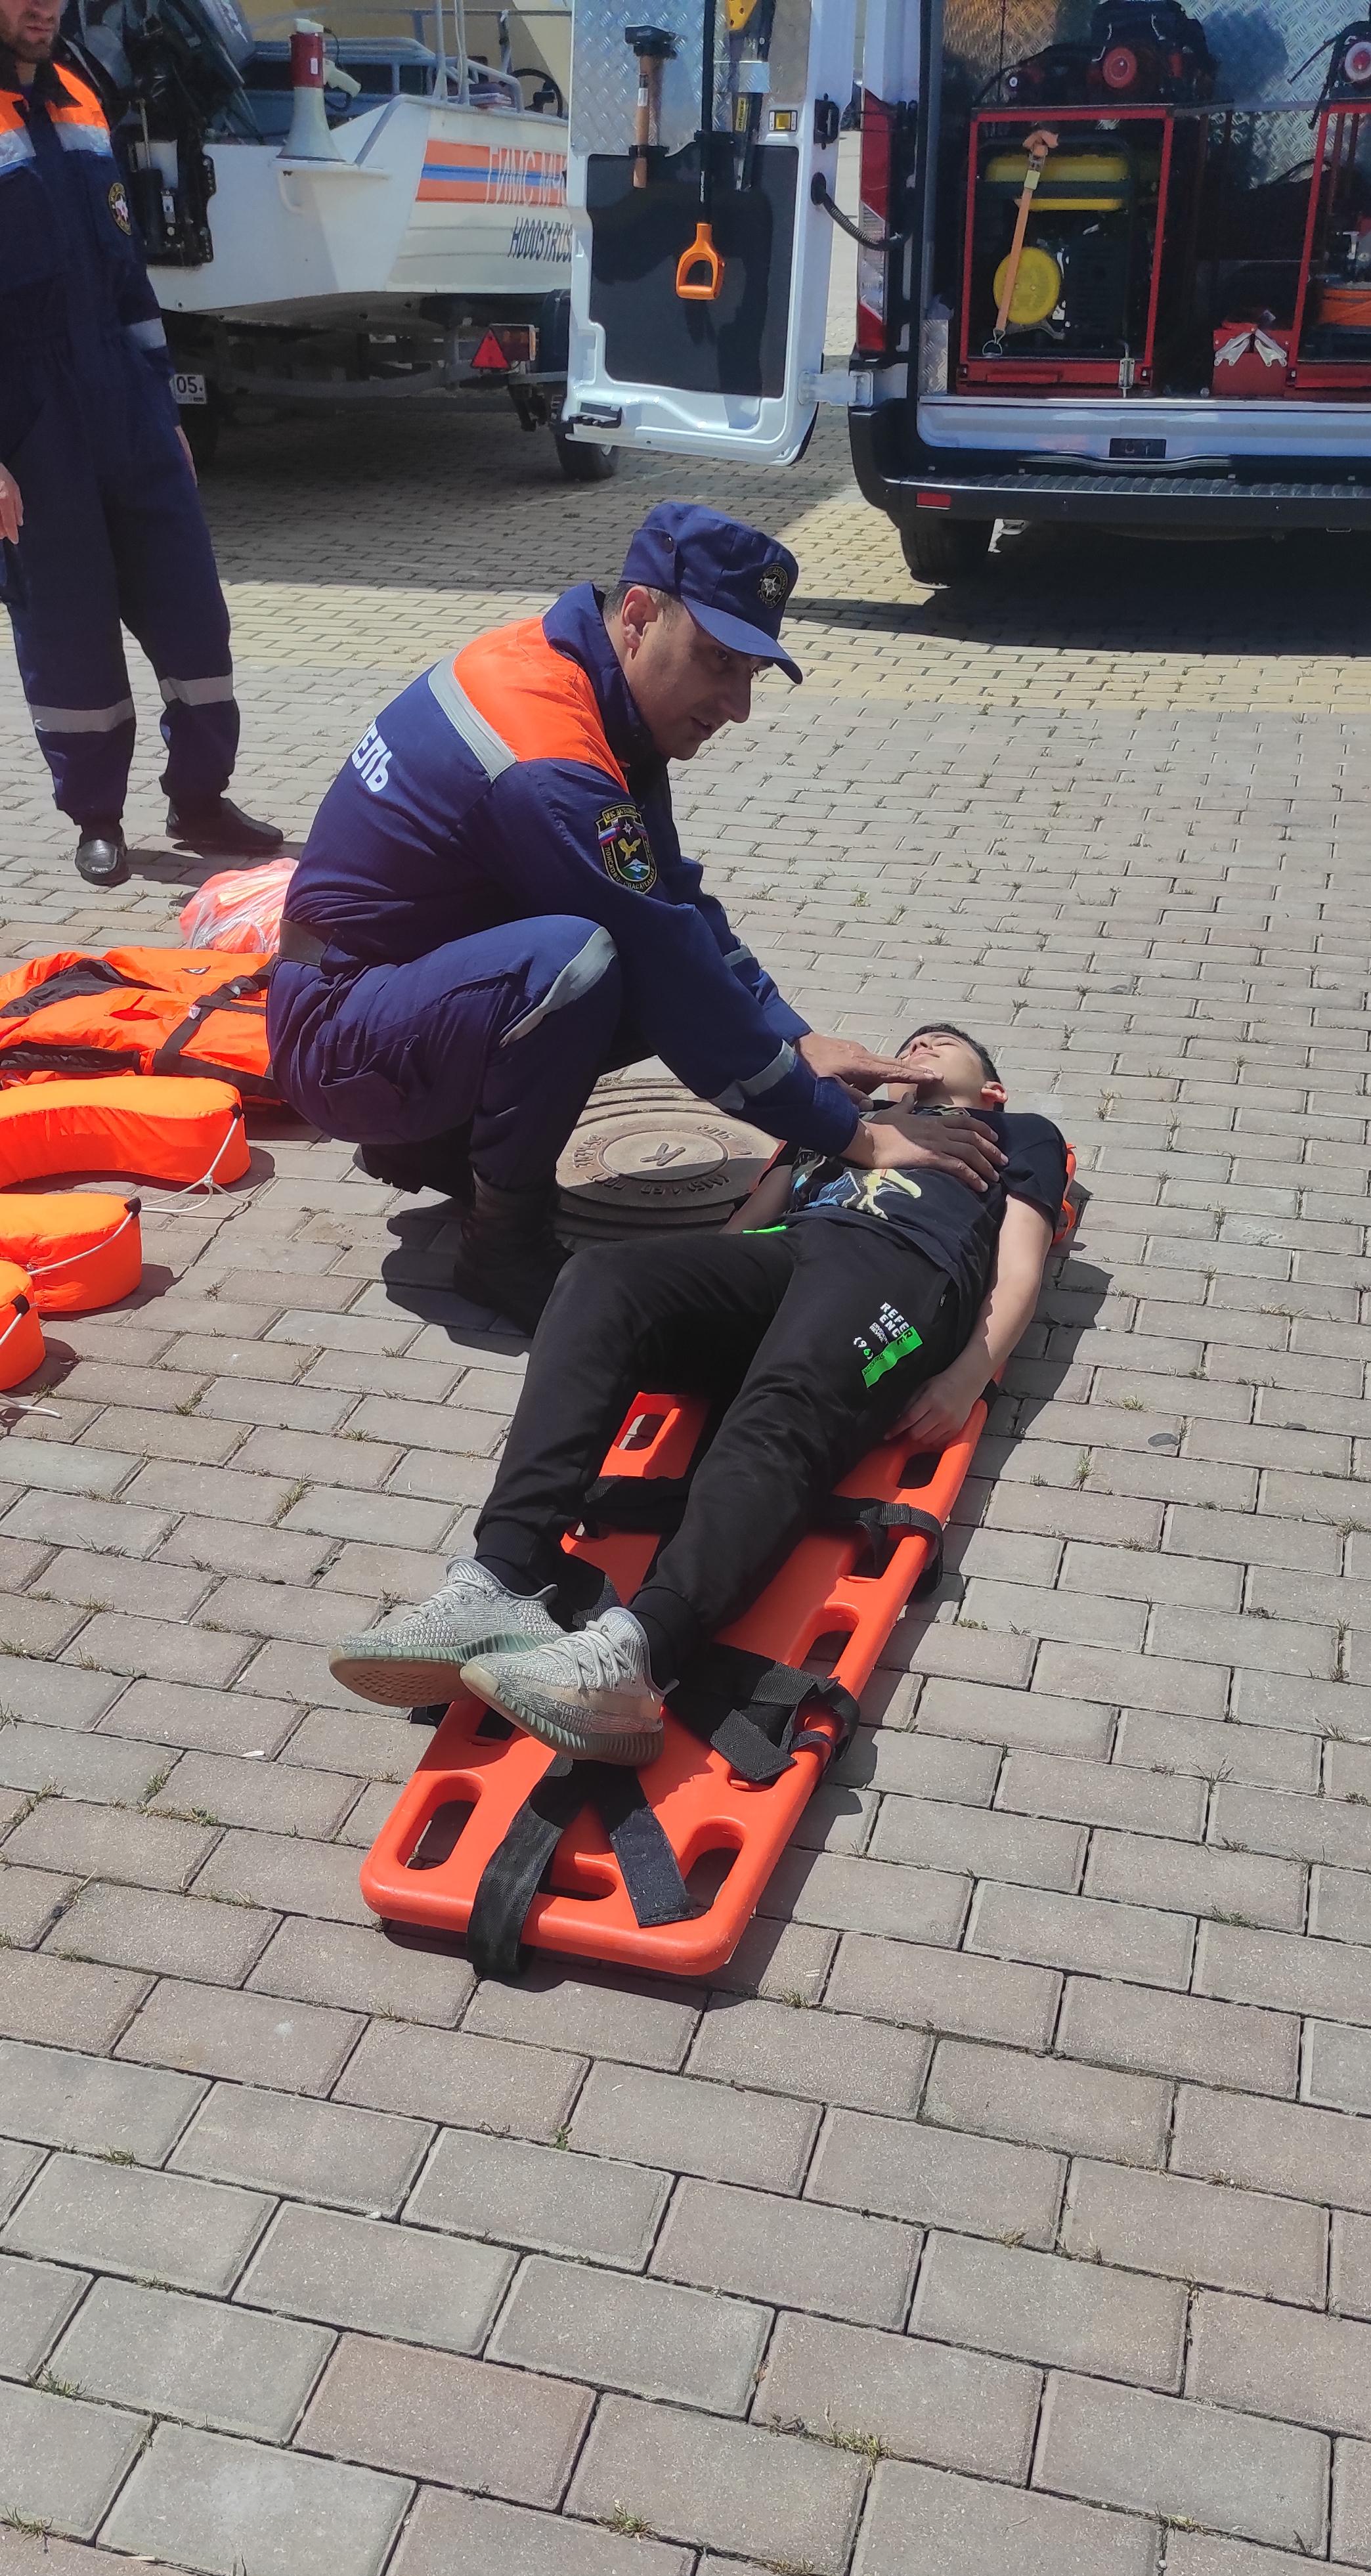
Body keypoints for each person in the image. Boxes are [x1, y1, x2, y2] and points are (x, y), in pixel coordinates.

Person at [268, 500, 1005, 1331]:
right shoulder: (547, 755)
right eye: (718, 661)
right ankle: (500, 1247)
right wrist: (853, 1136)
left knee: (620, 959)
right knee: (581, 964)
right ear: (641, 617)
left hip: (398, 993)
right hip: (338, 1033)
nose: (737, 705)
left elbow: (673, 902)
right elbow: (670, 968)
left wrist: (795, 1040)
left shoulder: (593, 689)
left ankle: (434, 1140)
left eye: (752, 674)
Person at [330, 1024, 1068, 1761]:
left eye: (945, 1043)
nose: (922, 1046)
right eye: (912, 1041)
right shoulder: (842, 1118)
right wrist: (688, 1290)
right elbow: (749, 1221)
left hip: (900, 1269)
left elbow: (1020, 1263)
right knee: (601, 1280)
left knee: (787, 1400)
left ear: (992, 1088)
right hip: (785, 1251)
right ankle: (499, 1582)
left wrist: (967, 1376)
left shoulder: (1018, 1132)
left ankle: (637, 1655)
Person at [0, 0, 281, 886]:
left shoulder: (81, 96)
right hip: (31, 420)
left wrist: (165, 413)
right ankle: (98, 816)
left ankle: (199, 798)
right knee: (70, 630)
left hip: (126, 402)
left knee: (193, 611)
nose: (42, 6)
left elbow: (128, 279)